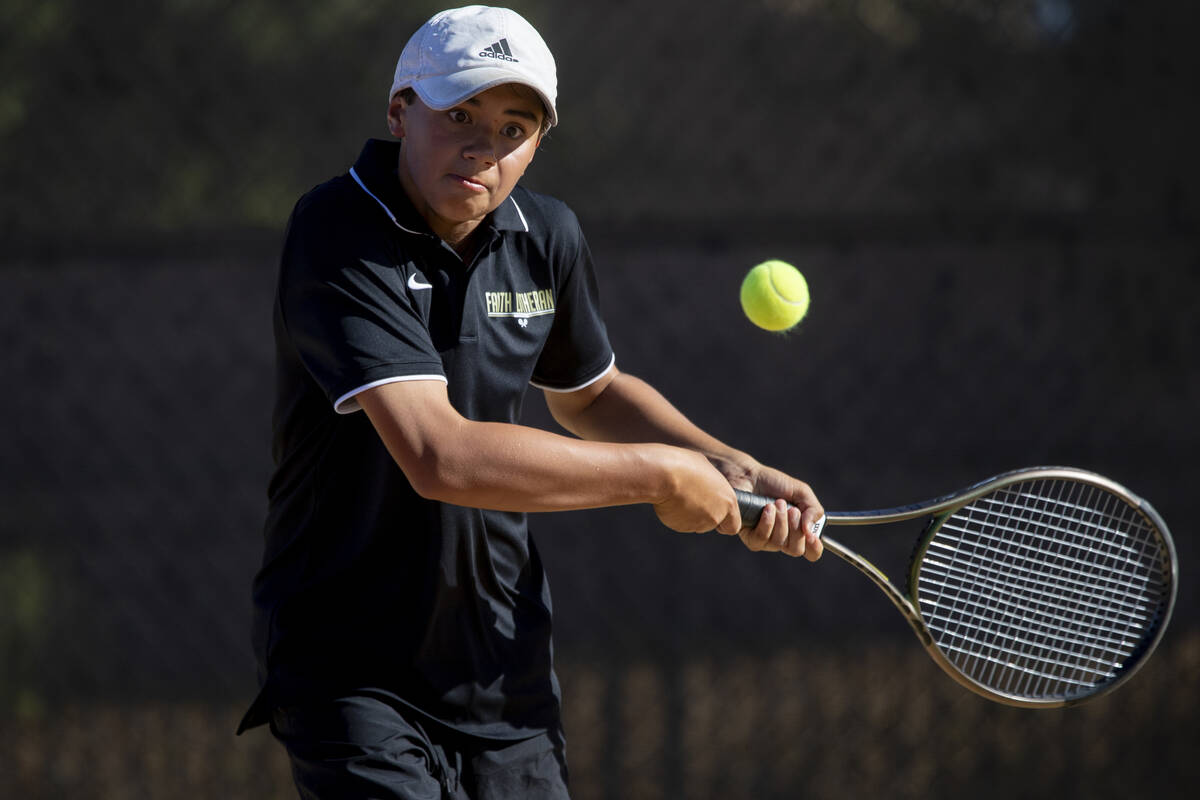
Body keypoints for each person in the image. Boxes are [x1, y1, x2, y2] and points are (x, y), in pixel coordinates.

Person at [237, 6, 824, 798]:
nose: (484, 145)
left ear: (539, 143)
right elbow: (438, 456)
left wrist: (722, 460)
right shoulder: (339, 230)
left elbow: (594, 393)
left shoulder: (547, 236)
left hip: (504, 676)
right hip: (351, 672)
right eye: (460, 115)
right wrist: (660, 475)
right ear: (400, 112)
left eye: (516, 127)